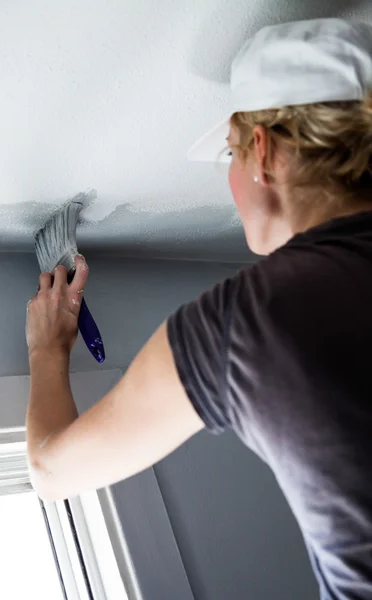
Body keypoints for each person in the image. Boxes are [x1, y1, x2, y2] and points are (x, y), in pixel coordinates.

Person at [26, 18, 372, 600]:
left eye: (230, 154)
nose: (231, 179)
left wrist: (47, 349)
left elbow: (52, 472)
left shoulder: (252, 320)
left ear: (261, 151)